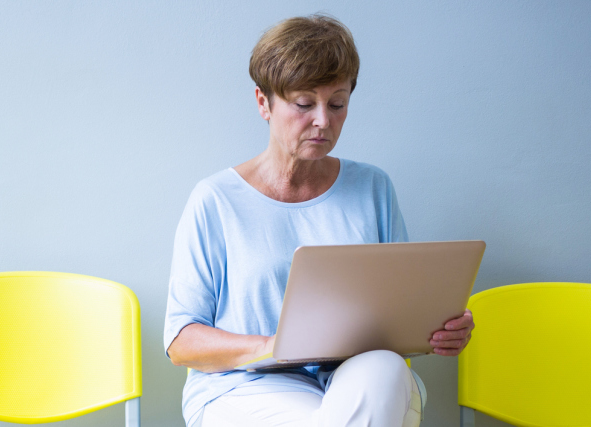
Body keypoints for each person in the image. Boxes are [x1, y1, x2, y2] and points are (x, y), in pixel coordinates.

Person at [162, 14, 475, 427]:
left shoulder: (373, 188)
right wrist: (275, 346)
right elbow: (182, 342)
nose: (323, 121)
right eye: (304, 104)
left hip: (354, 381)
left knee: (385, 368)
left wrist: (438, 327)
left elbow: (399, 317)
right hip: (244, 385)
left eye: (338, 104)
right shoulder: (216, 200)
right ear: (263, 103)